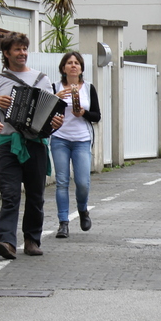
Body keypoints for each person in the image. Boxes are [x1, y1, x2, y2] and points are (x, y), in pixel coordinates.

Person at [0, 33, 63, 259]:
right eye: (17, 49)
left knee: (36, 195)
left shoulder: (42, 80)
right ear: (6, 53)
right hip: (9, 144)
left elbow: (52, 113)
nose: (22, 53)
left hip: (36, 144)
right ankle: (7, 241)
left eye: (25, 49)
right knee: (10, 194)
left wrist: (56, 122)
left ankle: (32, 240)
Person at [51, 51, 102, 238]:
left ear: (81, 68)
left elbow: (97, 116)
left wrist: (83, 113)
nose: (73, 66)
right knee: (62, 182)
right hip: (60, 139)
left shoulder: (88, 88)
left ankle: (82, 209)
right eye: (69, 63)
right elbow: (45, 112)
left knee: (82, 182)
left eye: (77, 63)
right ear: (63, 68)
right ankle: (63, 222)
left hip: (82, 140)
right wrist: (55, 98)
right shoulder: (55, 87)